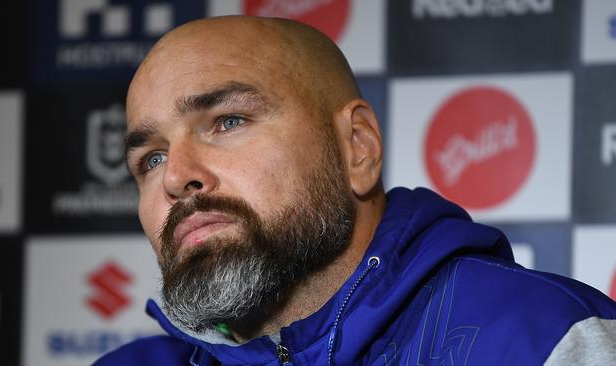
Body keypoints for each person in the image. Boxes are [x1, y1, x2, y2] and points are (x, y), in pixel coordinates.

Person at [95, 16, 616, 365]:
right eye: (151, 157)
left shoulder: (542, 339)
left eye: (227, 121)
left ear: (357, 147)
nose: (174, 176)